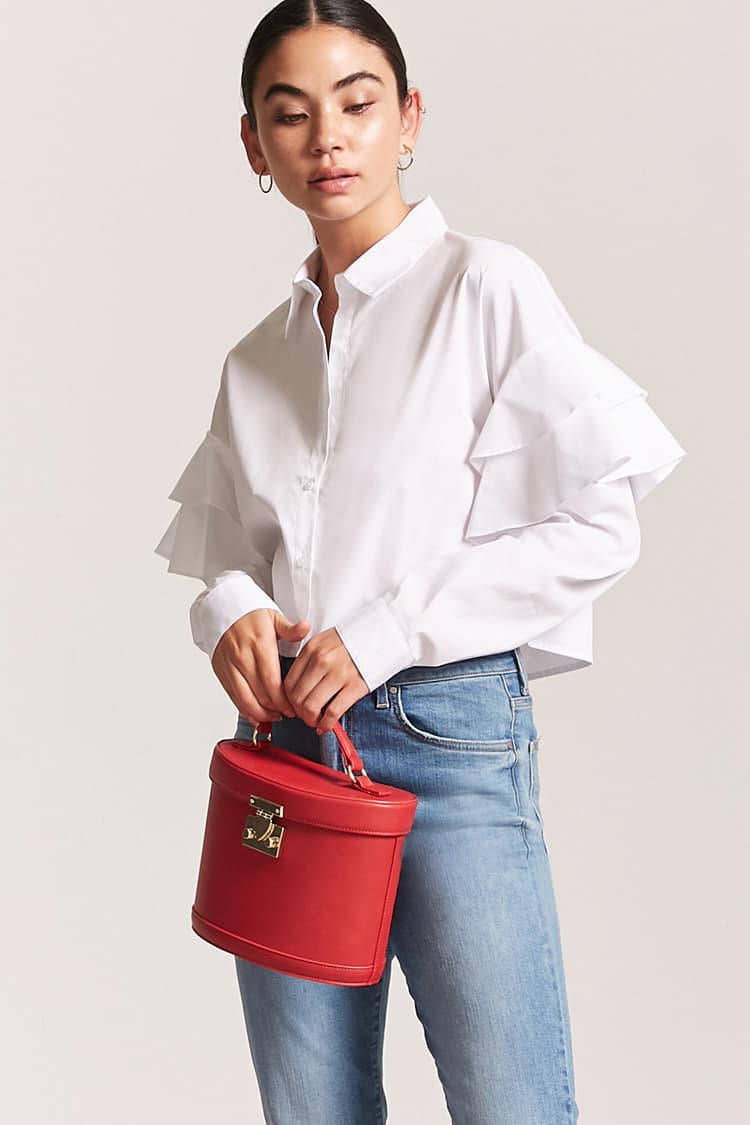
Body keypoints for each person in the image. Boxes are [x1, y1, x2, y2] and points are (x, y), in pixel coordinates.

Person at [154, 2, 687, 1122]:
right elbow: (232, 557)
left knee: (512, 1107)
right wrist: (233, 609)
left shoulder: (486, 287)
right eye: (290, 114)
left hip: (451, 737)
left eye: (357, 104)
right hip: (289, 752)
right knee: (313, 1111)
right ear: (253, 144)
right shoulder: (256, 359)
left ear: (409, 118)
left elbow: (600, 521)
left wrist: (389, 631)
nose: (327, 138)